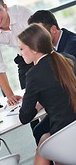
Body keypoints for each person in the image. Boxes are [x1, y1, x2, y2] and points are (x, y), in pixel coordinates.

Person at [18, 24, 76, 165]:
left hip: (65, 135)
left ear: (34, 48)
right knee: (44, 138)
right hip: (72, 129)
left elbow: (24, 117)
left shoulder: (33, 74)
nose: (20, 54)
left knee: (45, 144)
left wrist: (38, 106)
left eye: (21, 49)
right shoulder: (67, 58)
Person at [27, 10, 76, 145]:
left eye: (41, 32)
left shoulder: (71, 47)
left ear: (53, 29)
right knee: (38, 130)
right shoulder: (52, 48)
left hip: (71, 108)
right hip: (67, 104)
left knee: (40, 132)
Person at [0, 0, 33, 105]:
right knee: (28, 102)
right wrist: (9, 95)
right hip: (23, 57)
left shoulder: (22, 14)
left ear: (5, 7)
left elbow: (41, 40)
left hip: (39, 51)